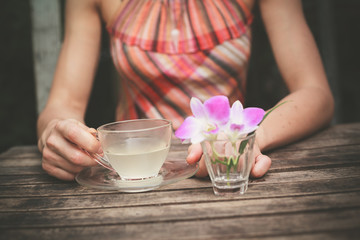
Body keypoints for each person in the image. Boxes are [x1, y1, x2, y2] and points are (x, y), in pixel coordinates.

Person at [37, 0, 334, 181]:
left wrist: (248, 138)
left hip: (222, 171)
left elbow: (315, 92)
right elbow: (63, 101)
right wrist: (55, 130)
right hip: (132, 180)